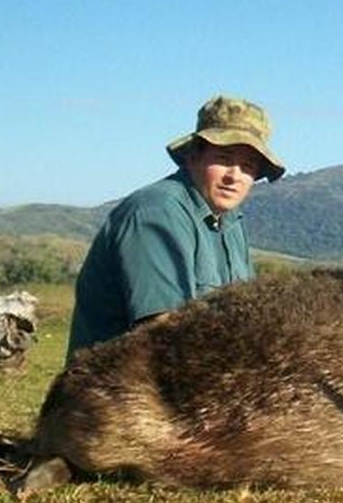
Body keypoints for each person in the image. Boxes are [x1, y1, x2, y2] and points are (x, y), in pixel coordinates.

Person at [65, 95, 285, 361]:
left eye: (247, 166)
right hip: (124, 389)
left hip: (193, 378)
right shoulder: (157, 211)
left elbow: (248, 320)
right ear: (193, 157)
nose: (234, 176)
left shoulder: (230, 221)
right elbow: (163, 333)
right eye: (224, 158)